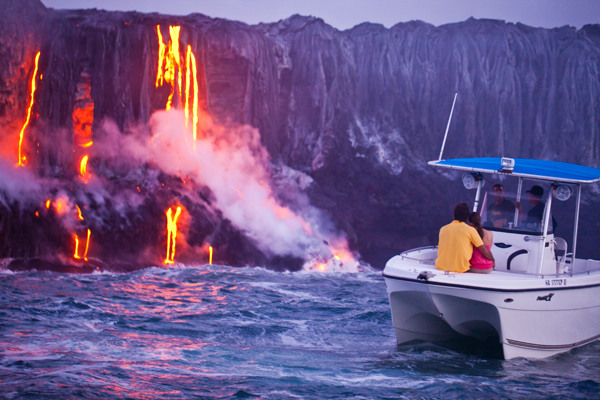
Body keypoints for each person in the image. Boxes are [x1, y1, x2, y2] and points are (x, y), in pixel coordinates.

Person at [435, 203, 495, 273]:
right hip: (460, 269)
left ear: (453, 216)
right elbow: (484, 250)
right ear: (467, 218)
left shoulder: (443, 229)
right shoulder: (470, 230)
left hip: (440, 267)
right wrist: (492, 259)